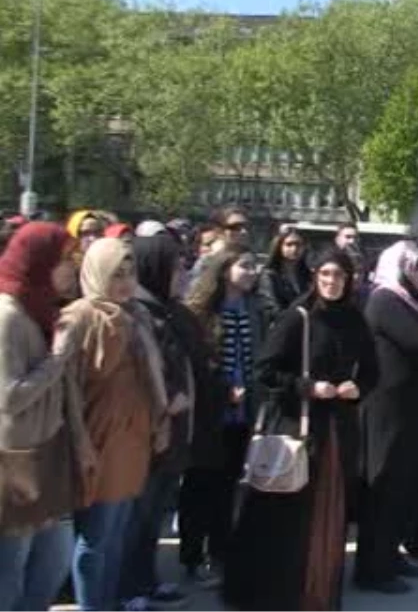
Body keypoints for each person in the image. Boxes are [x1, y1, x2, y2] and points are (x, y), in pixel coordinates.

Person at [222, 249, 377, 612]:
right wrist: (308, 387)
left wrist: (359, 388)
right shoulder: (299, 318)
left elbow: (371, 370)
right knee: (289, 517)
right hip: (299, 428)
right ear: (315, 277)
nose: (331, 282)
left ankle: (318, 593)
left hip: (337, 432)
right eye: (324, 274)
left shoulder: (355, 319)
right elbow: (266, 369)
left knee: (328, 516)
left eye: (338, 275)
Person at [59, 237, 169, 612]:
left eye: (130, 272)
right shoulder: (78, 317)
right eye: (115, 274)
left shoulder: (136, 315)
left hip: (132, 436)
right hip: (98, 437)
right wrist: (81, 440)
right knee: (96, 537)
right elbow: (69, 387)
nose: (124, 281)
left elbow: (152, 378)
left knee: (119, 533)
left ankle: (109, 602)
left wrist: (160, 419)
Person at [0, 223, 91, 612]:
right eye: (63, 261)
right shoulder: (9, 316)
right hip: (17, 460)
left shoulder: (42, 309)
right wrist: (57, 357)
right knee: (13, 571)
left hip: (49, 454)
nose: (72, 270)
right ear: (40, 263)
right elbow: (9, 396)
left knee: (53, 562)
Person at [355, 242, 418, 594]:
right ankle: (373, 569)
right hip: (388, 411)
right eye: (417, 265)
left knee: (404, 489)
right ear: (397, 266)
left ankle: (390, 555)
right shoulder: (385, 299)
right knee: (383, 490)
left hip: (413, 410)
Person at [120, 234, 199, 609]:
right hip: (154, 430)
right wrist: (169, 398)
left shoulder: (169, 310)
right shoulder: (140, 312)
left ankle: (146, 580)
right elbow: (143, 369)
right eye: (177, 267)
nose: (183, 274)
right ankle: (129, 587)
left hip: (176, 430)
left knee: (153, 516)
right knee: (139, 516)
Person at [181, 246, 265, 587]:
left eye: (253, 265)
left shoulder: (253, 308)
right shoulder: (201, 311)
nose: (251, 271)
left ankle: (220, 552)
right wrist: (222, 389)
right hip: (209, 413)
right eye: (244, 265)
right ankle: (191, 555)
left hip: (242, 413)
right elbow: (197, 364)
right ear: (224, 269)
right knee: (200, 486)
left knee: (229, 487)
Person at [257, 227, 311, 329]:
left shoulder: (307, 275)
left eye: (298, 245)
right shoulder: (269, 275)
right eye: (289, 244)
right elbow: (270, 307)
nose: (294, 249)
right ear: (279, 246)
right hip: (281, 328)